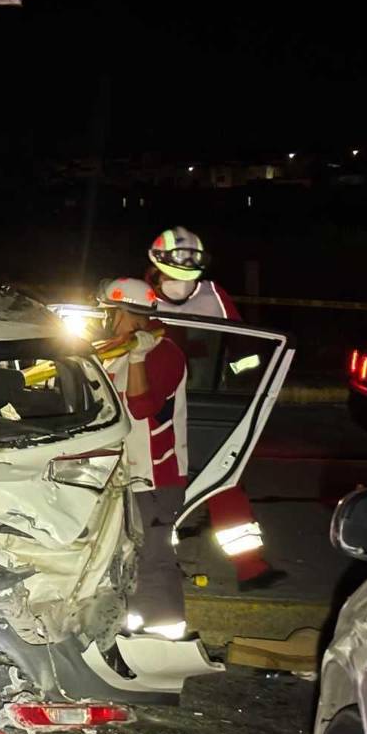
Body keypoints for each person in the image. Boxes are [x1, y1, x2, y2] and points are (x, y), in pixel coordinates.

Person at [145, 227, 284, 590]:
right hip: (152, 410)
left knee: (223, 482)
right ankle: (155, 568)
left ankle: (250, 568)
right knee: (152, 490)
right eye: (174, 277)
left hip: (206, 403)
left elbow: (247, 349)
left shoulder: (214, 297)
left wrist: (233, 373)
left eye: (188, 278)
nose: (182, 286)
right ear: (156, 268)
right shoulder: (135, 297)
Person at [99, 278, 189, 640]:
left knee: (152, 562)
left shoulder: (164, 354)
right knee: (113, 561)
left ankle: (163, 642)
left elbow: (142, 408)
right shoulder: (111, 351)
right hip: (115, 478)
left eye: (109, 313)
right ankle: (123, 634)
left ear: (123, 314)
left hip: (152, 481)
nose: (104, 320)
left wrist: (137, 357)